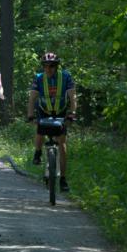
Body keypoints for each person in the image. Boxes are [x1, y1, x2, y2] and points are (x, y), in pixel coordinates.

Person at [26, 52, 77, 192]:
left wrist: (72, 113)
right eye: (45, 66)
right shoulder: (38, 78)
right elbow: (32, 98)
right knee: (40, 130)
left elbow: (73, 97)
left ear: (57, 66)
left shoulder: (66, 76)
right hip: (43, 109)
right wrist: (30, 115)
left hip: (61, 110)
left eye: (52, 66)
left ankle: (63, 179)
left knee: (62, 143)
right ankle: (37, 152)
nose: (48, 69)